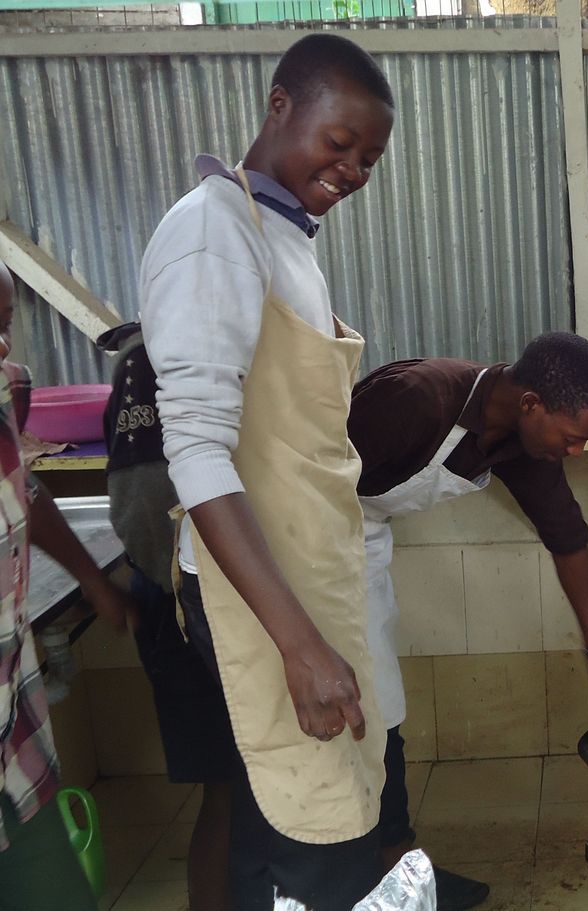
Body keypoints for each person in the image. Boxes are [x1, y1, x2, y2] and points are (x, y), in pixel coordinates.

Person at [140, 34, 396, 910]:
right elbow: (198, 450)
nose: (354, 169)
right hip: (259, 607)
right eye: (340, 143)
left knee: (300, 824)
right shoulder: (212, 234)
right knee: (301, 834)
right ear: (280, 104)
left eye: (369, 157)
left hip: (306, 580)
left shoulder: (283, 233)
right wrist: (299, 644)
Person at [348, 331, 588, 909]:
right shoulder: (415, 399)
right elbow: (300, 478)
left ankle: (396, 869)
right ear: (532, 403)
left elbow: (565, 534)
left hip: (360, 546)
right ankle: (345, 872)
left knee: (384, 708)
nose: (577, 452)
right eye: (574, 437)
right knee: (349, 711)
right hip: (296, 544)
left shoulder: (519, 440)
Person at [0, 265, 135, 911]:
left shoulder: (5, 393)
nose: (4, 349)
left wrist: (93, 580)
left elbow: (22, 489)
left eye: (3, 327)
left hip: (15, 744)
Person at [99, 321, 235, 911]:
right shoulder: (158, 360)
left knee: (231, 787)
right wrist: (189, 594)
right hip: (190, 605)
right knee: (236, 787)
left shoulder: (146, 359)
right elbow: (152, 505)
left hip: (178, 597)